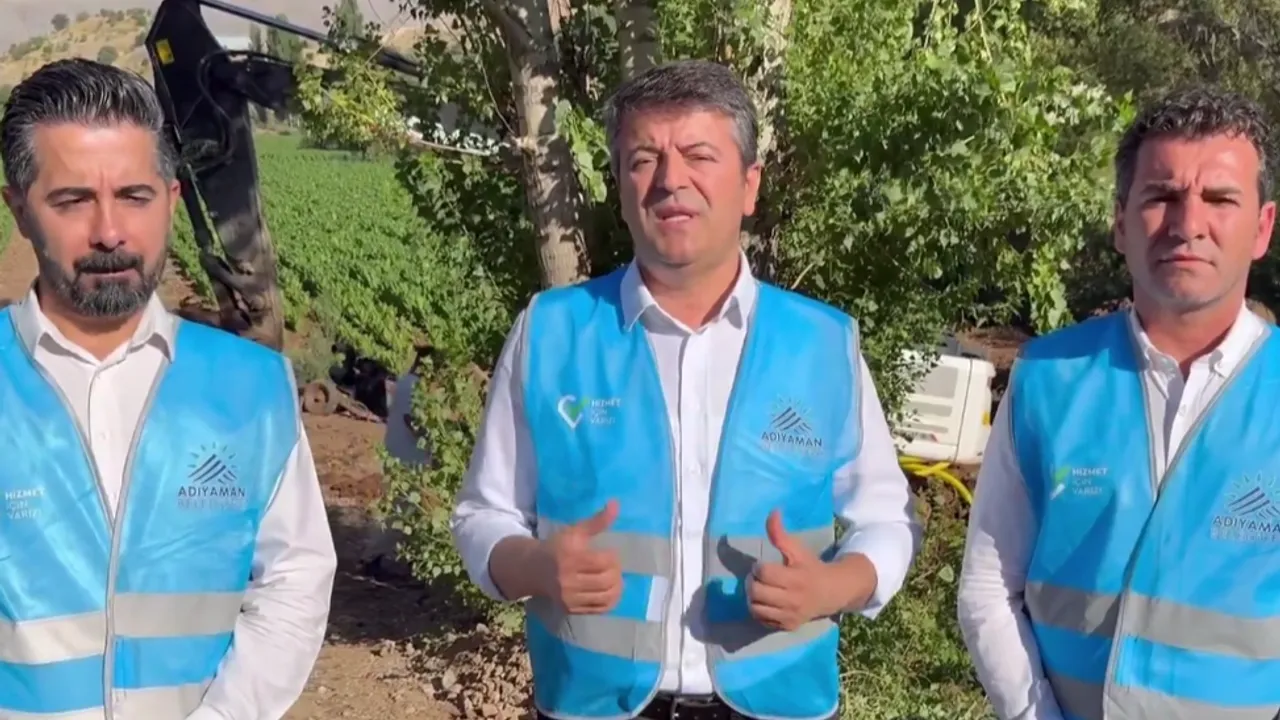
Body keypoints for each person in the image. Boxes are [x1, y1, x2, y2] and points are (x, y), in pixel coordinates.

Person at [451, 59, 921, 720]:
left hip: (778, 705)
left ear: (750, 185)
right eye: (644, 160)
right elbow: (483, 514)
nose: (671, 179)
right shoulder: (551, 332)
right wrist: (536, 568)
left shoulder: (822, 344)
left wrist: (834, 586)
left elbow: (888, 520)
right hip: (593, 707)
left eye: (699, 155)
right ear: (620, 188)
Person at [0, 58, 336, 719]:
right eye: (72, 201)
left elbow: (294, 580)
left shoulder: (250, 388)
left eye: (135, 196)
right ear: (19, 210)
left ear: (172, 200)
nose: (110, 232)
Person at [957, 85, 1280, 719]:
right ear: (1121, 223)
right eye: (1161, 196)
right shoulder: (1047, 377)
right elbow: (989, 587)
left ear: (1262, 228)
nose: (1188, 225)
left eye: (1220, 199)